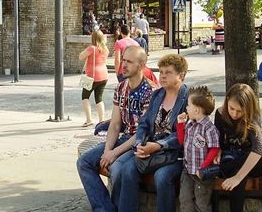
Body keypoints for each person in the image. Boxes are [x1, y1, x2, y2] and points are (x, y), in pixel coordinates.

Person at [77, 46, 153, 212]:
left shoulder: (149, 91)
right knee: (84, 162)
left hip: (140, 143)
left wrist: (114, 153)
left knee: (117, 169)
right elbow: (115, 124)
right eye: (123, 60)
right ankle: (104, 209)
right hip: (123, 138)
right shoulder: (121, 88)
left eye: (129, 62)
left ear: (141, 65)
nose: (123, 65)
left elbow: (142, 132)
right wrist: (107, 150)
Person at [118, 54, 189, 212]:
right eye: (161, 72)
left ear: (181, 75)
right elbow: (144, 123)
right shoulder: (157, 94)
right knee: (127, 170)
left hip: (176, 154)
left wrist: (157, 146)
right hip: (150, 151)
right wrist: (139, 144)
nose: (162, 76)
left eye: (168, 72)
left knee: (162, 177)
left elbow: (184, 134)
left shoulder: (189, 99)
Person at [210, 83, 262, 212]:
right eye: (231, 108)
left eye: (239, 111)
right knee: (235, 172)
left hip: (249, 162)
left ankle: (237, 175)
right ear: (227, 101)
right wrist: (218, 151)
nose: (235, 114)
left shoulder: (252, 117)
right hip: (229, 161)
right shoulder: (220, 113)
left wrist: (238, 177)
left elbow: (259, 147)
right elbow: (217, 140)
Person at [177, 86, 219, 212]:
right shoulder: (190, 124)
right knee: (185, 199)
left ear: (196, 110)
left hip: (202, 174)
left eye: (188, 105)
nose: (186, 108)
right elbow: (181, 141)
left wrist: (203, 168)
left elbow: (214, 149)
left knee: (202, 203)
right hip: (188, 170)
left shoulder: (209, 128)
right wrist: (180, 125)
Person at [78, 30, 109, 127]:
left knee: (85, 97)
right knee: (99, 99)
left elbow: (80, 57)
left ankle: (89, 119)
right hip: (104, 76)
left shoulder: (92, 48)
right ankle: (101, 121)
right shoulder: (105, 49)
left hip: (92, 76)